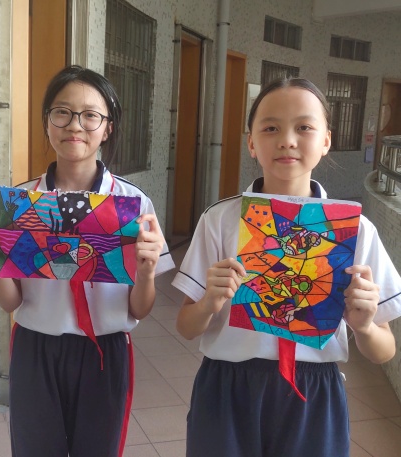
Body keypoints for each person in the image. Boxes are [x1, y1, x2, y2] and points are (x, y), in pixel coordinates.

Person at [172, 77, 401, 457]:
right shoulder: (219, 220)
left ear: (326, 140)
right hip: (227, 387)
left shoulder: (355, 231)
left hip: (314, 391)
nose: (287, 140)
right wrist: (209, 303)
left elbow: (384, 350)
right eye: (271, 128)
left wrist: (363, 326)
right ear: (251, 142)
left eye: (304, 127)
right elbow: (185, 326)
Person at [0, 65, 175, 457]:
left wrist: (147, 272)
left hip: (106, 352)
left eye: (90, 115)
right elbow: (12, 302)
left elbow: (140, 308)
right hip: (35, 349)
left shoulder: (133, 205)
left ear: (107, 127)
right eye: (62, 112)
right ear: (46, 121)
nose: (75, 126)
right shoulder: (21, 203)